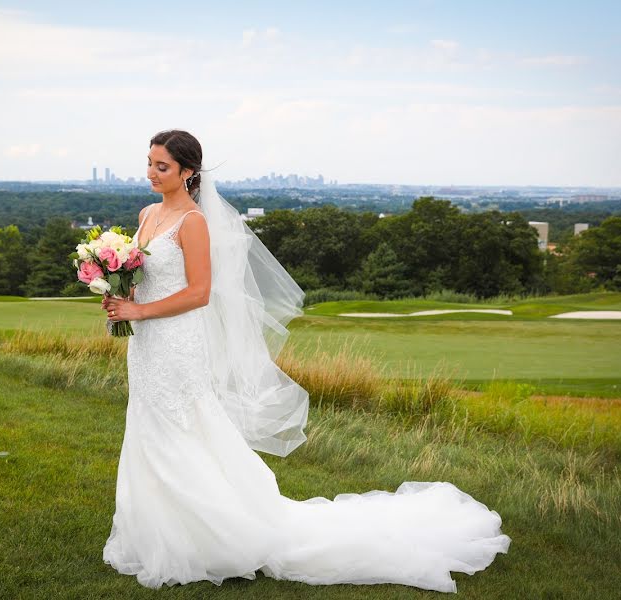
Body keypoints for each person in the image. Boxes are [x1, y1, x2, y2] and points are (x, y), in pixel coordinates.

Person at [100, 129, 511, 593]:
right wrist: (120, 292)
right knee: (148, 425)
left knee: (181, 428)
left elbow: (198, 293)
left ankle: (212, 537)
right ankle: (153, 534)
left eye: (163, 167)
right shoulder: (147, 213)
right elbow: (146, 277)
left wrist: (140, 310)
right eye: (150, 163)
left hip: (178, 343)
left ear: (188, 172)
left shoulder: (193, 222)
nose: (152, 173)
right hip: (149, 344)